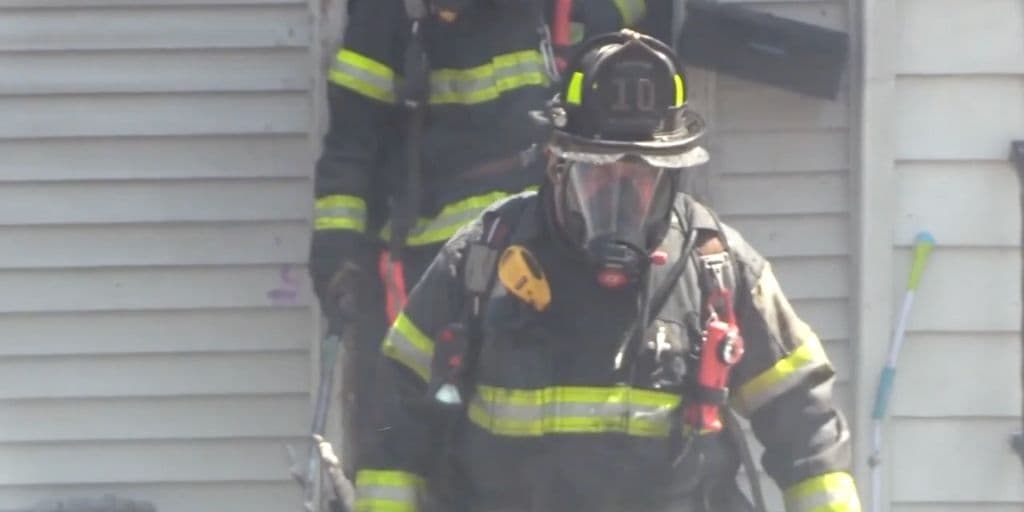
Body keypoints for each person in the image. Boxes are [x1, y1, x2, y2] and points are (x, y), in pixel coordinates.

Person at [354, 29, 863, 512]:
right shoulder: (484, 260)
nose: (618, 197)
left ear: (672, 175)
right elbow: (393, 432)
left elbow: (808, 434)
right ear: (557, 163)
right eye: (597, 172)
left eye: (641, 175)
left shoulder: (720, 271)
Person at [308, 0, 653, 473]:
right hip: (430, 276)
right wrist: (339, 246)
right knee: (415, 437)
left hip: (553, 259)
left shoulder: (561, 11)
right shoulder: (391, 15)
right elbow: (354, 137)